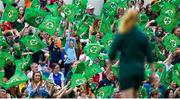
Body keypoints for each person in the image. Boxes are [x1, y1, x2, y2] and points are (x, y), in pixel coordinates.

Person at [108, 8, 155, 98]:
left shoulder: (122, 34)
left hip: (126, 70)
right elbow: (150, 56)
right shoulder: (142, 35)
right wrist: (153, 72)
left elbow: (112, 53)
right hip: (139, 71)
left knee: (127, 96)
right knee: (133, 95)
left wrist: (109, 67)